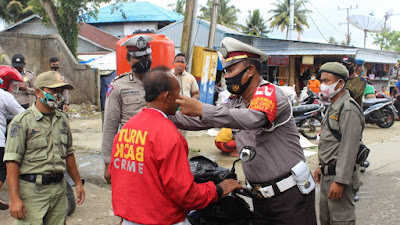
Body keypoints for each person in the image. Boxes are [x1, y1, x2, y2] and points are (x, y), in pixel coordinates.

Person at [172, 37, 316, 225]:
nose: (226, 76)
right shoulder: (235, 101)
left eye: (231, 70)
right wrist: (162, 114)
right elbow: (202, 121)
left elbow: (253, 118)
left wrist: (202, 109)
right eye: (225, 71)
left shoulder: (269, 93)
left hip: (291, 197)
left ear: (250, 71)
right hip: (260, 200)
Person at [109, 66, 241, 225]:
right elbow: (186, 195)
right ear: (166, 96)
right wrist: (218, 189)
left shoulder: (127, 128)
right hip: (163, 219)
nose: (180, 99)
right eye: (178, 94)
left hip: (130, 219)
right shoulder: (169, 135)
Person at [4, 71, 85, 224]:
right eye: (53, 91)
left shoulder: (62, 120)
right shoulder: (22, 122)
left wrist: (78, 183)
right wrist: (14, 198)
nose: (58, 96)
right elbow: (12, 161)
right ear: (37, 92)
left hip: (58, 190)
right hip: (33, 191)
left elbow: (69, 153)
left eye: (61, 92)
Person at [313, 62, 364, 225]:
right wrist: (320, 166)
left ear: (340, 83)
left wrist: (340, 181)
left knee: (341, 220)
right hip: (328, 176)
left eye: (327, 81)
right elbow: (331, 142)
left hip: (338, 177)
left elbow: (349, 148)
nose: (322, 86)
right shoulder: (334, 105)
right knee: (326, 219)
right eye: (322, 81)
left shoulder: (348, 109)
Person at [102, 35, 153, 184]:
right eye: (138, 58)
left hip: (158, 152)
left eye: (146, 56)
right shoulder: (118, 86)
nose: (143, 60)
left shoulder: (162, 81)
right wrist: (108, 163)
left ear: (151, 56)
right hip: (132, 154)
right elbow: (110, 127)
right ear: (129, 59)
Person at [0, 66, 25, 210]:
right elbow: (22, 114)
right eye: (11, 83)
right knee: (3, 168)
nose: (12, 87)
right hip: (0, 141)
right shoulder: (5, 96)